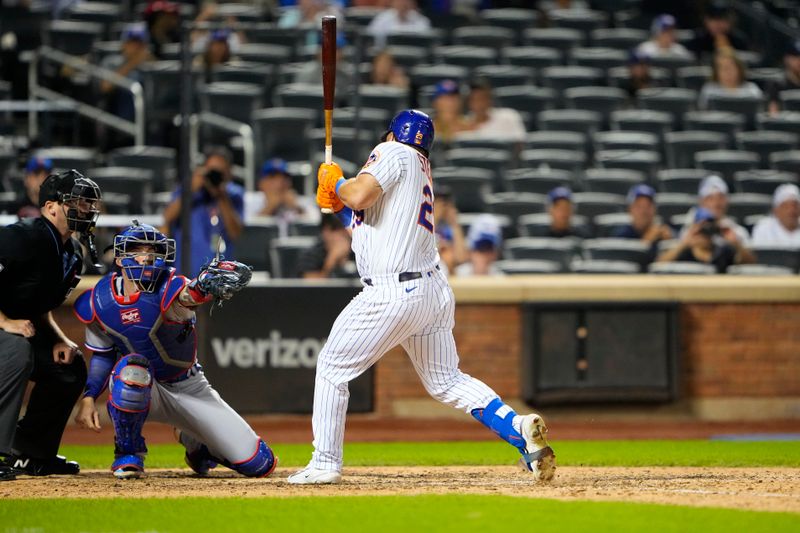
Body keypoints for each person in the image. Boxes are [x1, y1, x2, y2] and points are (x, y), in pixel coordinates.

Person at [288, 109, 556, 484]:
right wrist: (338, 205)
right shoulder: (420, 168)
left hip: (392, 291)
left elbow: (361, 194)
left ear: (394, 135)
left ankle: (325, 463)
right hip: (429, 290)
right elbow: (371, 221)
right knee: (446, 380)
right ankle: (518, 426)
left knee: (333, 368)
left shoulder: (393, 152)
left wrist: (340, 182)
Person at [72, 222, 275, 479]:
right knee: (133, 368)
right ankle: (128, 452)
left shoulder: (169, 284)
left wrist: (203, 286)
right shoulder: (99, 300)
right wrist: (89, 396)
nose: (146, 256)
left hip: (189, 386)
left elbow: (187, 297)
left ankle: (196, 444)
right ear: (121, 259)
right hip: (146, 387)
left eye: (152, 250)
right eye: (137, 249)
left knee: (260, 464)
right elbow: (102, 355)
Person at [0, 170, 102, 481]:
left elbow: (40, 307)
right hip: (5, 329)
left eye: (88, 204)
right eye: (77, 203)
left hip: (15, 327)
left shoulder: (71, 253)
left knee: (69, 367)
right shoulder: (22, 235)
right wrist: (6, 322)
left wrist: (59, 339)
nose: (85, 210)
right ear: (50, 206)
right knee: (17, 350)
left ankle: (30, 453)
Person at [162, 146, 244, 277]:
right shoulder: (189, 190)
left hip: (220, 275)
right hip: (187, 272)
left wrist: (222, 196)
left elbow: (235, 233)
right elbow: (167, 217)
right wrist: (191, 189)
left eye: (220, 173)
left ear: (229, 173)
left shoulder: (233, 195)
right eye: (212, 172)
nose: (215, 177)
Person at [657, 206, 754, 272]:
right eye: (701, 227)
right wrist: (684, 244)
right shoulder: (684, 252)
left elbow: (750, 264)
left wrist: (736, 244)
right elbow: (659, 266)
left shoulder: (724, 251)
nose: (705, 232)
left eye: (708, 226)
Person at [681, 174, 750, 245]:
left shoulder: (737, 232)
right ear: (701, 202)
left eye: (721, 198)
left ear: (727, 201)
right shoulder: (690, 231)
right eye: (710, 198)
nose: (716, 203)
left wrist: (735, 244)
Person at [293, 32, 355, 106]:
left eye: (336, 49)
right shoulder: (307, 73)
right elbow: (298, 101)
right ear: (318, 51)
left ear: (342, 54)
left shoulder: (349, 74)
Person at [462, 78, 526, 143]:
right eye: (475, 99)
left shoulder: (509, 116)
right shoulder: (462, 124)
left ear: (490, 99)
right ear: (468, 102)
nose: (480, 104)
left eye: (483, 98)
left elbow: (520, 144)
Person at [613, 184, 674, 253]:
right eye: (639, 206)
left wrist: (669, 242)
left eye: (648, 206)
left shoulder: (665, 231)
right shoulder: (622, 235)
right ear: (630, 209)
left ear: (655, 209)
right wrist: (647, 241)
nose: (644, 211)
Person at [698, 50, 763, 109]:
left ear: (739, 69)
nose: (728, 72)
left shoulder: (752, 90)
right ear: (716, 71)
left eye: (731, 68)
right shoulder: (709, 90)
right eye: (723, 68)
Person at [297, 213, 354, 278]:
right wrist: (331, 261)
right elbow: (309, 285)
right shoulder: (310, 255)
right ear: (324, 231)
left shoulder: (358, 252)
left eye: (345, 230)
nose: (341, 235)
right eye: (335, 229)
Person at [366, 0, 431, 49]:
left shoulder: (421, 21)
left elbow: (424, 43)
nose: (402, 3)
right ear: (393, 2)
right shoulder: (383, 18)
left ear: (412, 3)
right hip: (388, 55)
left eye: (406, 1)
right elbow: (371, 37)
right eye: (399, 1)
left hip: (414, 59)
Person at [433, 186, 468, 275]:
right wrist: (433, 218)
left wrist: (454, 223)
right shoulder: (423, 224)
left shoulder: (451, 228)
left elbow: (461, 258)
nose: (442, 207)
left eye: (445, 202)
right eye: (438, 202)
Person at [430, 79, 469, 147]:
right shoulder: (428, 129)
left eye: (453, 97)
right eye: (445, 98)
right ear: (435, 102)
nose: (450, 102)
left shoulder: (470, 126)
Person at [768, 40, 800, 114]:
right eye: (795, 56)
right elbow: (773, 114)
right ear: (786, 58)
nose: (799, 60)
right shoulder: (777, 84)